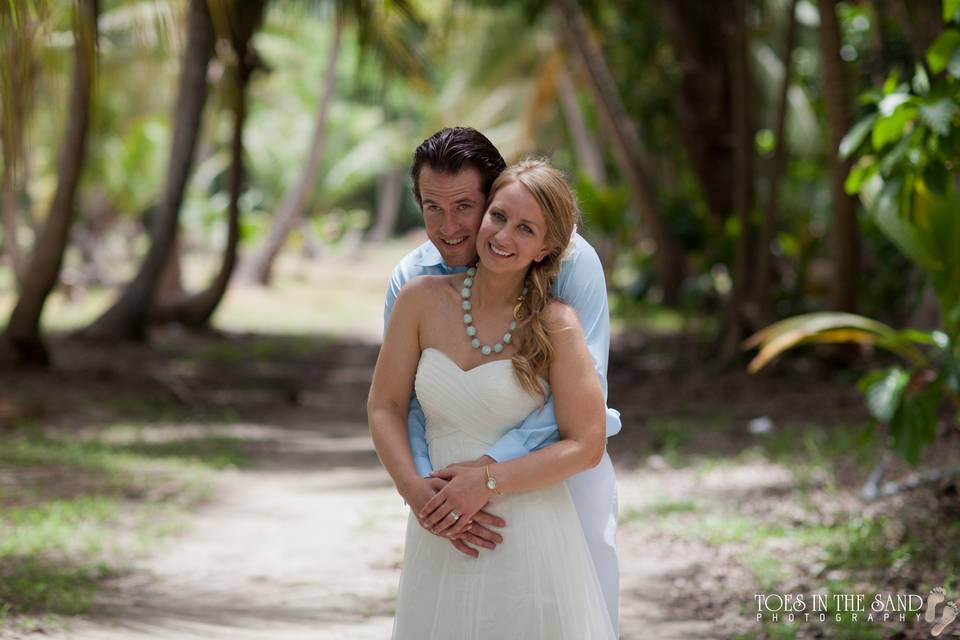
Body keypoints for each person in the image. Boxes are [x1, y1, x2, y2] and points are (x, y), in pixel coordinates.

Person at [382, 127, 621, 632]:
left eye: (464, 207)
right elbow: (402, 403)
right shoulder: (413, 282)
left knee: (578, 602)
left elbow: (576, 408)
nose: (449, 228)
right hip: (445, 489)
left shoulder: (573, 269)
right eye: (432, 207)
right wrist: (425, 490)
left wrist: (487, 476)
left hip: (554, 471)